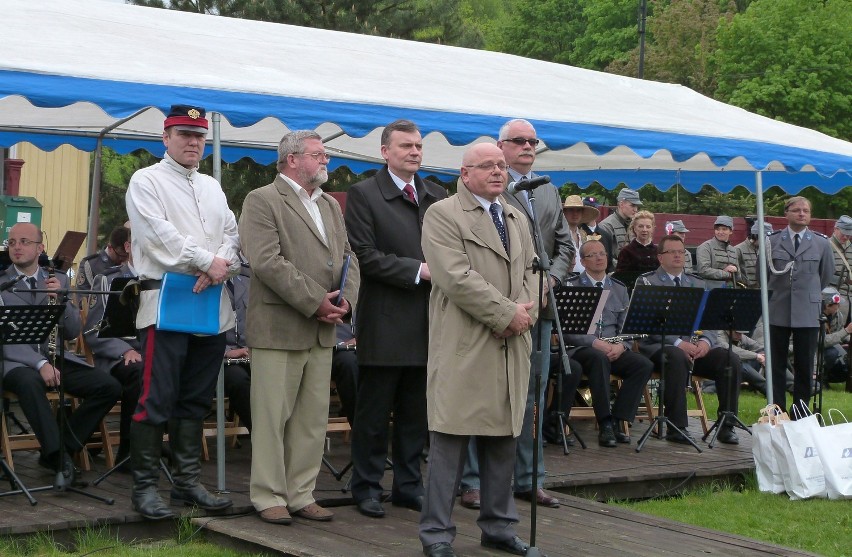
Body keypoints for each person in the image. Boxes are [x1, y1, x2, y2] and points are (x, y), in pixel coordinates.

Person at [419, 142, 537, 557]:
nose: (497, 172)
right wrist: (507, 314)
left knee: (504, 440)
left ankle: (499, 527)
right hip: (466, 346)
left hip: (511, 347)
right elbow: (455, 277)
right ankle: (436, 534)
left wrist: (524, 312)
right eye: (487, 166)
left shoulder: (516, 217)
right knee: (449, 444)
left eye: (502, 166)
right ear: (465, 173)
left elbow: (533, 274)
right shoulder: (442, 214)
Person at [125, 104, 239, 520]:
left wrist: (219, 265)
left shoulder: (212, 186)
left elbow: (233, 234)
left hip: (210, 304)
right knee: (156, 399)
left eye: (199, 136)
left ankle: (187, 484)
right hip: (165, 304)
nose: (193, 142)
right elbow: (158, 236)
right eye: (184, 134)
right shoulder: (146, 180)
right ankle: (145, 489)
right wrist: (206, 261)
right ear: (166, 137)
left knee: (195, 400)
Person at [239, 130, 359, 526]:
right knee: (273, 417)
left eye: (324, 154)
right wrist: (315, 301)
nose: (325, 161)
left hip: (323, 329)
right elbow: (267, 261)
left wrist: (345, 300)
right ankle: (269, 495)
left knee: (311, 419)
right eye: (318, 154)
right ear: (292, 159)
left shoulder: (329, 205)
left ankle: (301, 492)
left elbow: (348, 258)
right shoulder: (262, 200)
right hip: (279, 326)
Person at [460, 119, 573, 512]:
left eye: (533, 141)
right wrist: (508, 302)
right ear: (500, 146)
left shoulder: (547, 190)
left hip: (538, 308)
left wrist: (547, 286)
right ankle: (472, 482)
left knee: (532, 396)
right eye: (519, 141)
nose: (528, 146)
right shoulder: (481, 190)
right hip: (491, 310)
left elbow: (564, 247)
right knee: (484, 393)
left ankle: (529, 479)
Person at [344, 119, 446, 518]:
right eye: (406, 146)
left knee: (415, 415)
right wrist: (419, 271)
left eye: (419, 146)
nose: (415, 152)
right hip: (386, 320)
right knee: (373, 414)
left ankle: (408, 485)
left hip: (429, 322)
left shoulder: (435, 195)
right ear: (385, 151)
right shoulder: (365, 194)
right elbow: (364, 256)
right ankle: (366, 487)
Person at [1, 223, 121, 482]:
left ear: (39, 248)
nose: (17, 247)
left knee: (108, 386)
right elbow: (5, 340)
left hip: (55, 356)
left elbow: (72, 331)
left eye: (24, 242)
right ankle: (59, 459)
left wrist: (62, 299)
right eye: (12, 242)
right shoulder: (2, 283)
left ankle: (62, 447)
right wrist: (39, 362)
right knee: (30, 382)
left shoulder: (58, 279)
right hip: (12, 361)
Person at [636, 235, 743, 445]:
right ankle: (677, 426)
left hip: (695, 347)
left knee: (730, 359)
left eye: (681, 251)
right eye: (672, 252)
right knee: (676, 356)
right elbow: (647, 323)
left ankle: (726, 423)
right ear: (660, 257)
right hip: (661, 347)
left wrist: (706, 343)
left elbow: (708, 321)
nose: (678, 255)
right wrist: (678, 343)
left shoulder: (697, 283)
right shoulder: (647, 281)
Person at [563, 240, 654, 447]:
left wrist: (622, 346)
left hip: (615, 347)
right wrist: (595, 343)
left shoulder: (619, 288)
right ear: (583, 262)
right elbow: (568, 331)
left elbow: (627, 326)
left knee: (643, 365)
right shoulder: (573, 285)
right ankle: (604, 422)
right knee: (598, 359)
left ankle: (618, 419)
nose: (599, 258)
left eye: (602, 254)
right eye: (593, 255)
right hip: (584, 350)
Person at [83, 226, 143, 469]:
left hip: (154, 351)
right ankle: (130, 454)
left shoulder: (163, 280)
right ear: (127, 247)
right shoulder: (108, 280)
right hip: (118, 356)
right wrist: (125, 350)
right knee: (139, 372)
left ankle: (161, 445)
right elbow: (93, 332)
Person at [767, 196, 833, 414]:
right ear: (786, 213)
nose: (802, 214)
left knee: (804, 365)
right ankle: (777, 412)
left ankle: (801, 413)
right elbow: (763, 274)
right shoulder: (772, 241)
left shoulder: (822, 243)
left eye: (806, 210)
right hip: (778, 308)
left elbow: (824, 276)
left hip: (807, 310)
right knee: (776, 364)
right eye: (796, 210)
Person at [223, 260, 251, 431]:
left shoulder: (247, 280)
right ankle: (261, 436)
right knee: (238, 381)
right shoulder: (199, 284)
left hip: (250, 353)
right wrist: (226, 352)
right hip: (219, 358)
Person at [75, 225, 130, 291]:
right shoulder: (90, 265)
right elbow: (82, 296)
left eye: (127, 256)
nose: (124, 259)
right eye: (120, 256)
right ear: (110, 247)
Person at [598, 188, 642, 268]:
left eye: (637, 206)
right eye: (632, 205)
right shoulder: (606, 225)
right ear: (621, 204)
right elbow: (604, 255)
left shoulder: (634, 225)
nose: (635, 210)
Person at [695, 215, 742, 288]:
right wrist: (727, 274)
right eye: (717, 229)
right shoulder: (705, 247)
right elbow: (703, 271)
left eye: (724, 229)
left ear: (731, 231)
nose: (720, 232)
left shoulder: (733, 250)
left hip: (731, 290)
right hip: (711, 291)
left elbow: (738, 277)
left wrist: (736, 270)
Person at [820, 287, 851, 385]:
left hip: (826, 348)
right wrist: (846, 331)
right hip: (811, 350)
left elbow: (839, 333)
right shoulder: (815, 317)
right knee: (832, 353)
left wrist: (849, 338)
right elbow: (822, 341)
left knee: (847, 352)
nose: (838, 306)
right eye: (836, 304)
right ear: (827, 305)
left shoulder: (838, 316)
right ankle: (821, 378)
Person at [562, 194, 600, 273]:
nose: (575, 213)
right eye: (571, 210)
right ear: (564, 212)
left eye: (578, 210)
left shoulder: (583, 235)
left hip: (582, 282)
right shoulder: (559, 235)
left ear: (582, 213)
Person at [331, 322, 358, 427]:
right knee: (349, 363)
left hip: (370, 345)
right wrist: (342, 344)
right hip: (335, 346)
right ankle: (361, 426)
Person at [615, 210, 658, 274]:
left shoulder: (658, 251)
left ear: (652, 229)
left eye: (648, 227)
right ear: (634, 228)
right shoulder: (626, 252)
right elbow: (620, 277)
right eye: (640, 226)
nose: (644, 230)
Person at [581, 196, 615, 273]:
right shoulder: (578, 233)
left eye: (593, 209)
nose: (590, 213)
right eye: (587, 210)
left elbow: (609, 262)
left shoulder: (606, 235)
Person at [735, 221, 773, 289]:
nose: (766, 241)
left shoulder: (768, 249)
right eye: (764, 239)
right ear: (755, 236)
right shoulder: (738, 250)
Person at [828, 215, 852, 319]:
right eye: (843, 234)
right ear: (835, 229)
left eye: (849, 234)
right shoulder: (826, 246)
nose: (846, 237)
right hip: (835, 298)